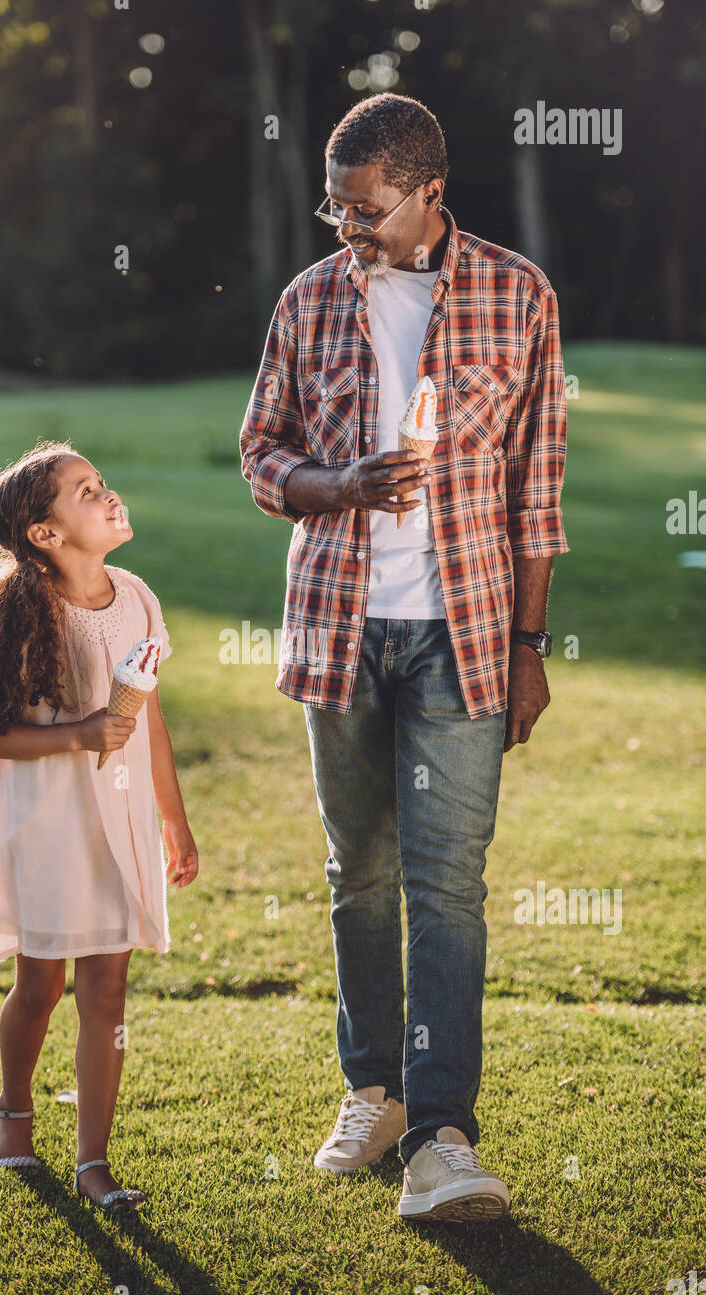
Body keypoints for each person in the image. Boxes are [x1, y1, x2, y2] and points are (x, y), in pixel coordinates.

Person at [240, 94, 569, 1222]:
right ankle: (371, 1092)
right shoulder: (308, 300)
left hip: (464, 636)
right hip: (339, 630)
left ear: (429, 191)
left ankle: (441, 1138)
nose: (347, 224)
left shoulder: (519, 294)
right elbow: (259, 451)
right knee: (359, 875)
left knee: (447, 887)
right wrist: (336, 487)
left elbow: (539, 489)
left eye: (366, 206)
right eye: (334, 202)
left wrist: (529, 645)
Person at [0, 440, 198, 1215]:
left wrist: (173, 822)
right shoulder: (24, 612)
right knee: (41, 982)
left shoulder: (138, 597)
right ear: (45, 534)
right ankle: (14, 1108)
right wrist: (79, 733)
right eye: (85, 492)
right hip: (48, 823)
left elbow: (150, 723)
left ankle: (94, 1162)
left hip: (121, 822)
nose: (106, 494)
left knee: (107, 991)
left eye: (100, 483)